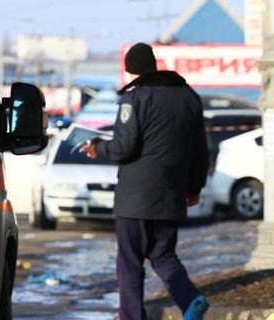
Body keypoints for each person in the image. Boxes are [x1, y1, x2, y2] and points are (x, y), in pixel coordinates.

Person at [81, 42, 210, 320]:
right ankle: (190, 300)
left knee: (129, 262)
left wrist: (97, 148)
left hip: (135, 198)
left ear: (130, 72)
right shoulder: (189, 96)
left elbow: (123, 148)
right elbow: (201, 149)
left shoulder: (134, 98)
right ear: (153, 65)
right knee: (163, 255)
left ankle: (131, 317)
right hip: (171, 194)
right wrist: (195, 187)